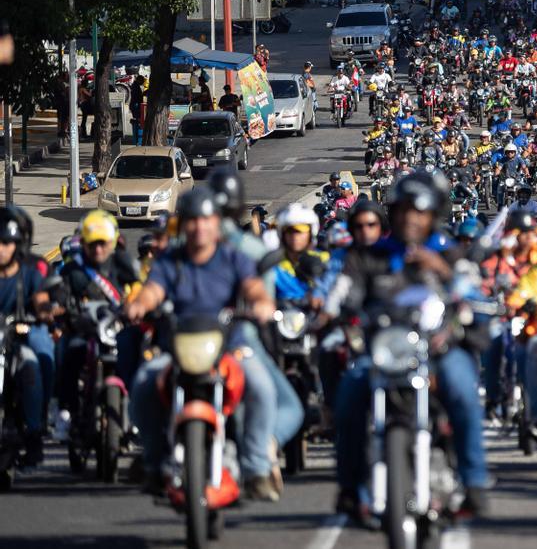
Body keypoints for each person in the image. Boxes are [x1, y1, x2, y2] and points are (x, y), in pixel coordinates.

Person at [326, 172, 490, 522]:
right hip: (383, 352)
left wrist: (443, 271)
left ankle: (474, 482)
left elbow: (474, 292)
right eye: (401, 210)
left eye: (418, 211)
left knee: (463, 389)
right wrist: (333, 312)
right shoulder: (369, 256)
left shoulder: (451, 251)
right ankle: (349, 488)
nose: (409, 218)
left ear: (433, 215)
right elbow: (344, 292)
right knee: (348, 397)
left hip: (438, 351)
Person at [125, 188, 299, 501]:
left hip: (228, 350)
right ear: (183, 224)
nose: (199, 227)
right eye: (192, 221)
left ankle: (257, 467)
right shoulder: (171, 261)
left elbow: (255, 289)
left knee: (262, 387)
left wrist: (261, 304)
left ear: (216, 223)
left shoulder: (233, 258)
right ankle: (153, 460)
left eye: (206, 220)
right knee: (143, 383)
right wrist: (139, 304)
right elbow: (152, 290)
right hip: (175, 350)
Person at [51, 211, 143, 442]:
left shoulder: (123, 262)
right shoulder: (72, 269)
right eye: (93, 244)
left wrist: (138, 306)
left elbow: (140, 289)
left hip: (117, 329)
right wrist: (59, 308)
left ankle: (135, 413)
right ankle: (66, 413)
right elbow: (60, 294)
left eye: (103, 244)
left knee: (140, 357)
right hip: (84, 330)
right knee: (67, 354)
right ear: (83, 244)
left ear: (111, 242)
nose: (98, 250)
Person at [0, 216, 49, 466]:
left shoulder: (28, 274)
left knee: (31, 368)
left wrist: (44, 311)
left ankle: (33, 434)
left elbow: (41, 298)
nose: (1, 248)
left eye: (7, 243)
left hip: (16, 343)